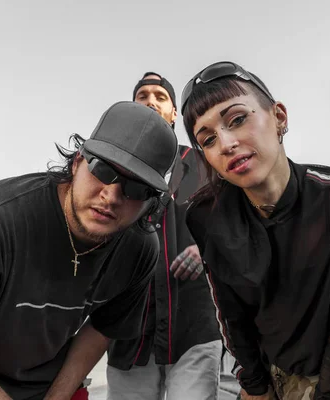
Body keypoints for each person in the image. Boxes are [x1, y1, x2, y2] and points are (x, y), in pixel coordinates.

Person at [0, 101, 178, 400]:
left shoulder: (139, 249)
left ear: (150, 202)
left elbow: (102, 328)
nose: (111, 196)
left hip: (46, 385)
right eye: (103, 169)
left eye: (136, 188)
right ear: (77, 163)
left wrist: (57, 396)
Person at [181, 61, 330, 400]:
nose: (226, 143)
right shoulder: (206, 217)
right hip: (261, 382)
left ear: (279, 117)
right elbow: (231, 314)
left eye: (238, 119)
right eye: (208, 139)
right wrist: (255, 388)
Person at [106, 72, 222, 400]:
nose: (150, 102)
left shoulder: (205, 163)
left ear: (173, 113)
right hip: (128, 331)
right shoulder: (108, 168)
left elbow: (236, 224)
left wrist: (206, 250)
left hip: (194, 326)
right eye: (142, 96)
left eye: (160, 96)